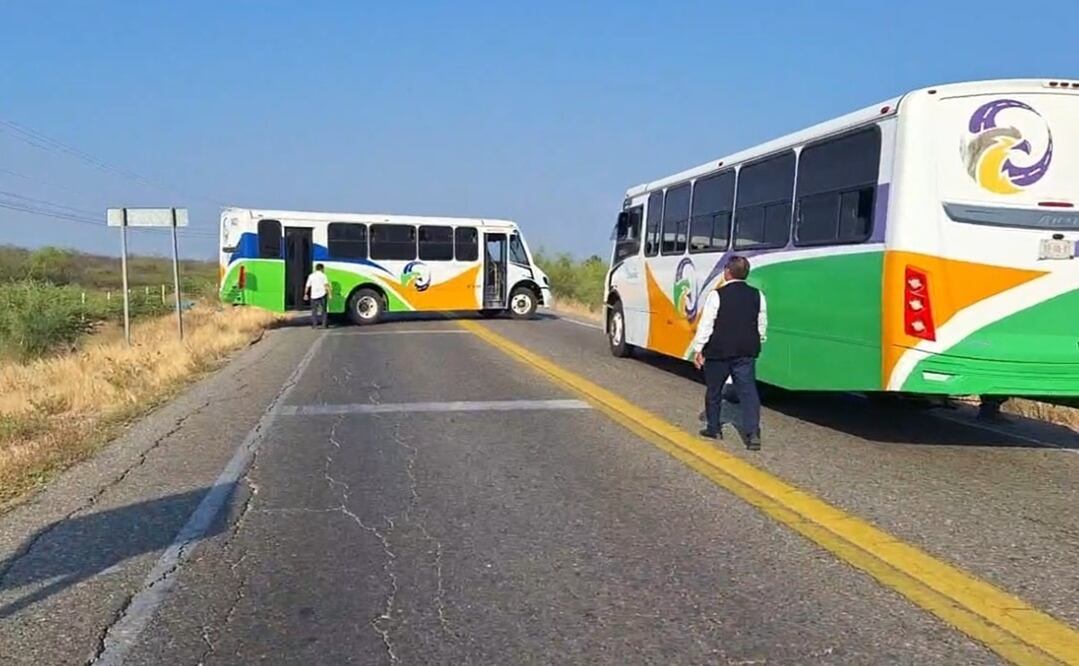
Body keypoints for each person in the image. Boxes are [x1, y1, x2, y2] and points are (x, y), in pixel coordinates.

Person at [691, 255, 767, 450]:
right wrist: (758, 340)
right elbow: (761, 323)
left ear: (727, 272)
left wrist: (698, 348)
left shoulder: (717, 295)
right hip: (746, 350)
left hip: (719, 350)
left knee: (714, 390)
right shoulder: (757, 295)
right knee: (748, 391)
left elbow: (707, 324)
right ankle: (752, 434)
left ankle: (714, 428)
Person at [304, 263, 332, 329]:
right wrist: (330, 294)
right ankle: (324, 325)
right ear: (322, 268)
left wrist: (305, 294)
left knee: (314, 311)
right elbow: (326, 285)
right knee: (324, 310)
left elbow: (307, 286)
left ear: (316, 268)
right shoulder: (323, 275)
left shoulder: (311, 276)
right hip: (322, 295)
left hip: (314, 295)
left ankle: (314, 325)